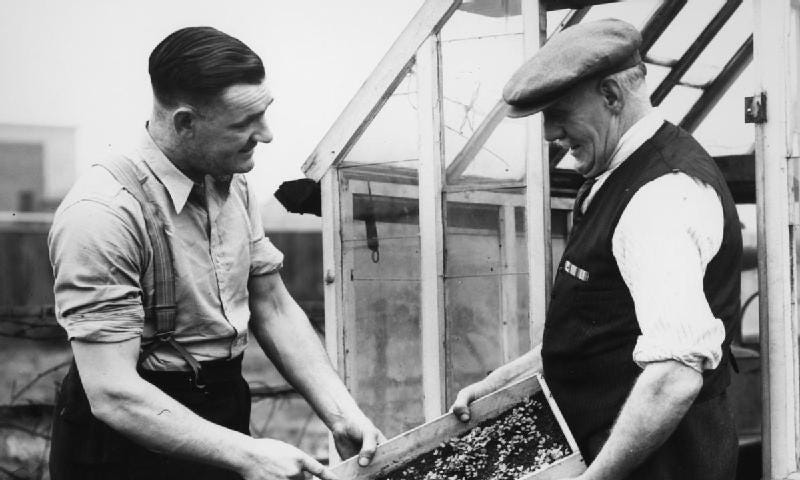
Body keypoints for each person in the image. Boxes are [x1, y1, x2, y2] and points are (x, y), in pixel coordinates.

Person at [48, 26, 383, 480]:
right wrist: (249, 455)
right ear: (185, 123)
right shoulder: (103, 213)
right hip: (126, 441)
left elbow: (272, 304)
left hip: (220, 408)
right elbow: (113, 392)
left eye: (264, 114)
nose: (265, 135)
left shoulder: (231, 177)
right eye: (243, 123)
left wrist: (341, 413)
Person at [450, 19, 741, 480]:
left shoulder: (661, 196)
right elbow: (600, 331)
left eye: (558, 112)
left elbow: (674, 374)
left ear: (610, 96)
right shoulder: (618, 174)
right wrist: (500, 384)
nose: (549, 134)